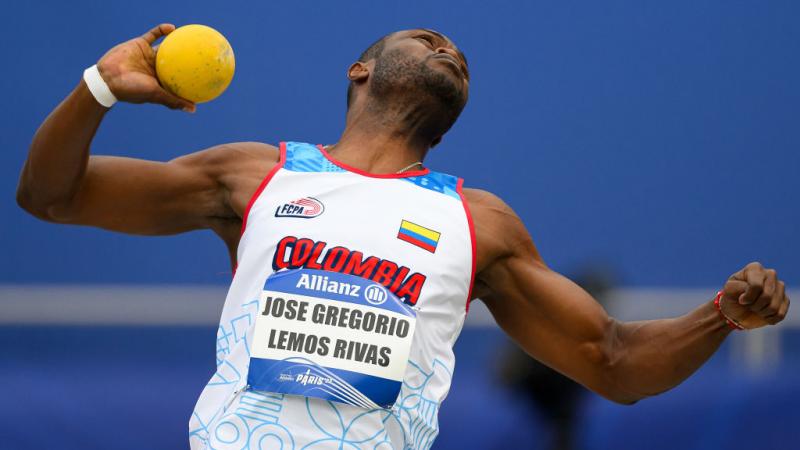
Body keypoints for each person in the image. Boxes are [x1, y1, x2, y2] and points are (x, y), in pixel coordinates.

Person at [16, 23, 790, 450]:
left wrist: (720, 314)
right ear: (360, 70)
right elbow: (52, 196)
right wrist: (98, 87)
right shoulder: (256, 176)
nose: (448, 48)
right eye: (426, 37)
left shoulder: (476, 222)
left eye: (459, 56)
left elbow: (614, 363)